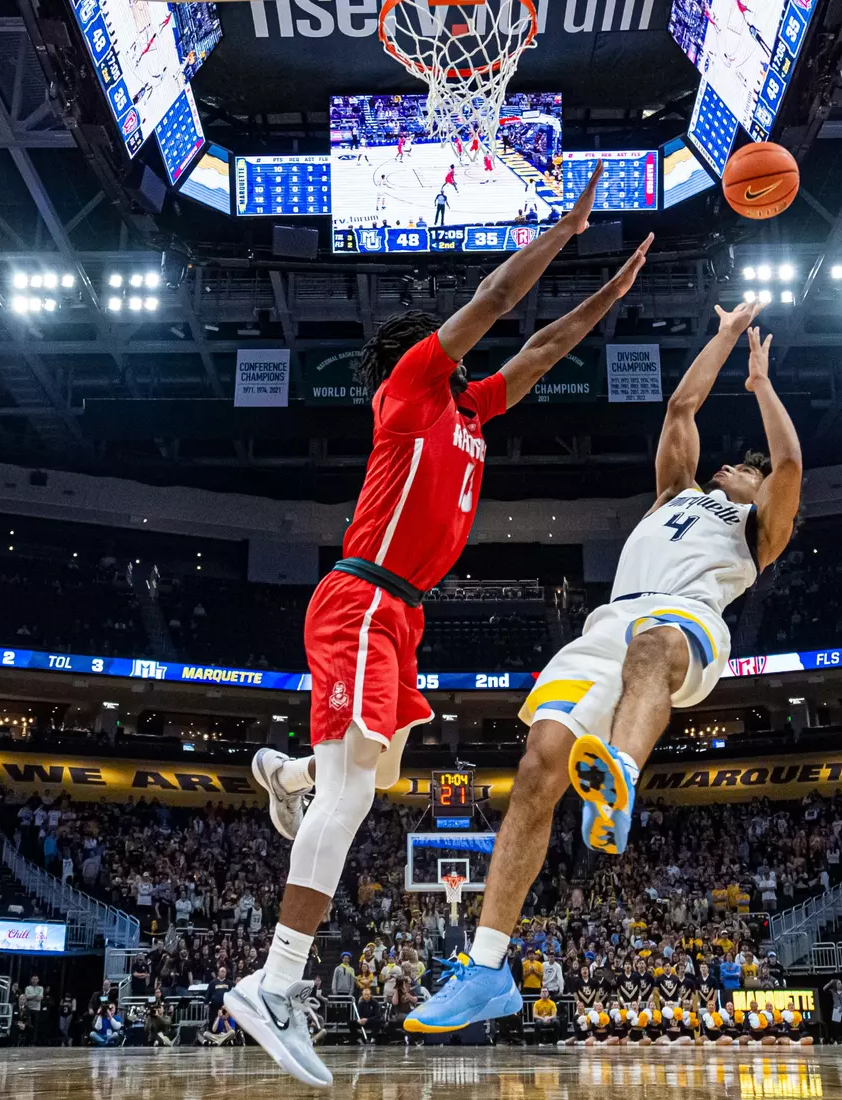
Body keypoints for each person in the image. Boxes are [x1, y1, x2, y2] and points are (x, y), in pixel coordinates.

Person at [229, 163, 653, 1085]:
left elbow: (536, 349)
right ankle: (274, 983)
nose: (460, 347)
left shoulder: (467, 408)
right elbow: (499, 297)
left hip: (400, 614)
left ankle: (285, 771)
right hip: (363, 596)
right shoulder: (412, 389)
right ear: (418, 353)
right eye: (448, 341)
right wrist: (563, 234)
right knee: (353, 799)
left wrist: (609, 296)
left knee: (366, 769)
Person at [405, 303, 802, 1035]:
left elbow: (786, 466)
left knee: (651, 644)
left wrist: (759, 383)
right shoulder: (672, 494)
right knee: (538, 765)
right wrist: (717, 336)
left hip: (684, 624)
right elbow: (681, 405)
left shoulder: (757, 532)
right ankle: (488, 969)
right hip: (606, 624)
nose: (734, 468)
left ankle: (616, 776)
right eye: (734, 465)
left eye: (742, 471)